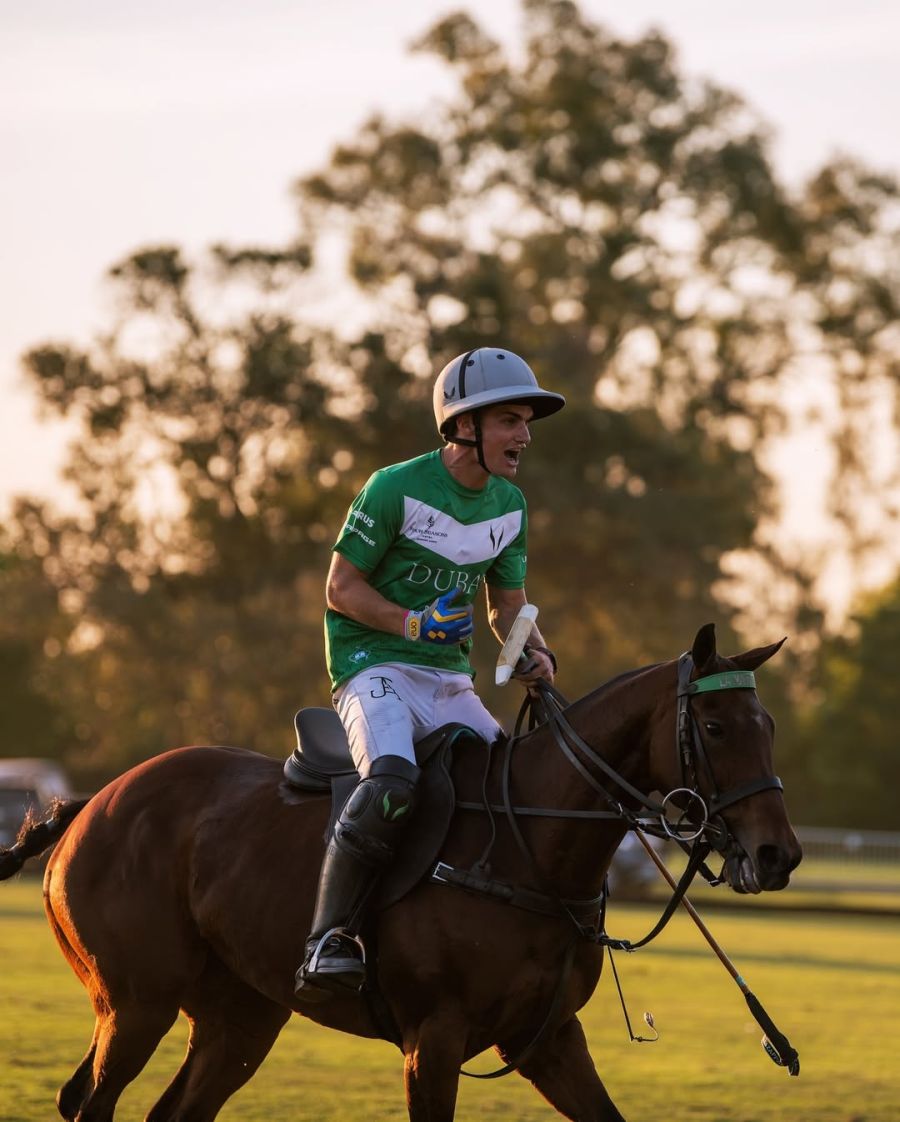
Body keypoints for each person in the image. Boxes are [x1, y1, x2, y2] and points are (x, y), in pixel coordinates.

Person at [294, 346, 565, 1001]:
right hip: (372, 667)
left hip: (449, 682)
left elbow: (506, 609)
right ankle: (329, 937)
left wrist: (532, 651)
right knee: (391, 781)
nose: (524, 436)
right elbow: (340, 588)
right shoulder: (394, 487)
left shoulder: (510, 506)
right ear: (462, 426)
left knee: (515, 788)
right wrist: (412, 626)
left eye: (526, 422)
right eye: (509, 420)